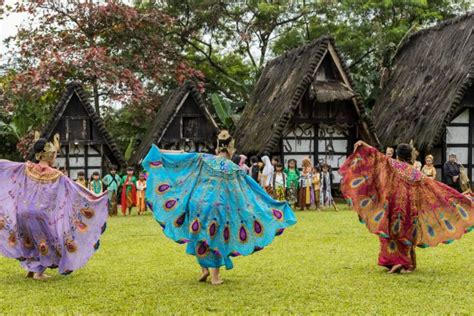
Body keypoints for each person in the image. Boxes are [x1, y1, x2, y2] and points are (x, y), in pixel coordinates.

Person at [143, 146, 296, 285]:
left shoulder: (204, 158)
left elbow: (182, 156)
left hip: (197, 202)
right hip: (218, 206)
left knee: (198, 234)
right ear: (230, 154)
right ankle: (215, 277)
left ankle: (204, 270)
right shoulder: (234, 169)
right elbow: (252, 188)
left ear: (217, 152)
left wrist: (160, 152)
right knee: (216, 238)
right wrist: (273, 203)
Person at [340, 141, 474, 274]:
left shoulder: (391, 164)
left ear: (397, 155)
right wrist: (463, 199)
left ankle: (396, 262)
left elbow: (374, 155)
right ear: (410, 156)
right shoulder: (416, 174)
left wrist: (363, 144)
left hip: (391, 206)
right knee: (407, 232)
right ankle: (404, 263)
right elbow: (438, 189)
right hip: (410, 209)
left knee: (390, 231)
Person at [0, 134, 108, 280]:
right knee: (47, 242)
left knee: (29, 240)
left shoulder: (27, 167)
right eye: (55, 154)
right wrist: (95, 198)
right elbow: (76, 190)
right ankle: (39, 273)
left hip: (22, 212)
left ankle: (31, 271)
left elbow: (6, 165)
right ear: (49, 156)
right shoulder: (56, 175)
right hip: (41, 214)